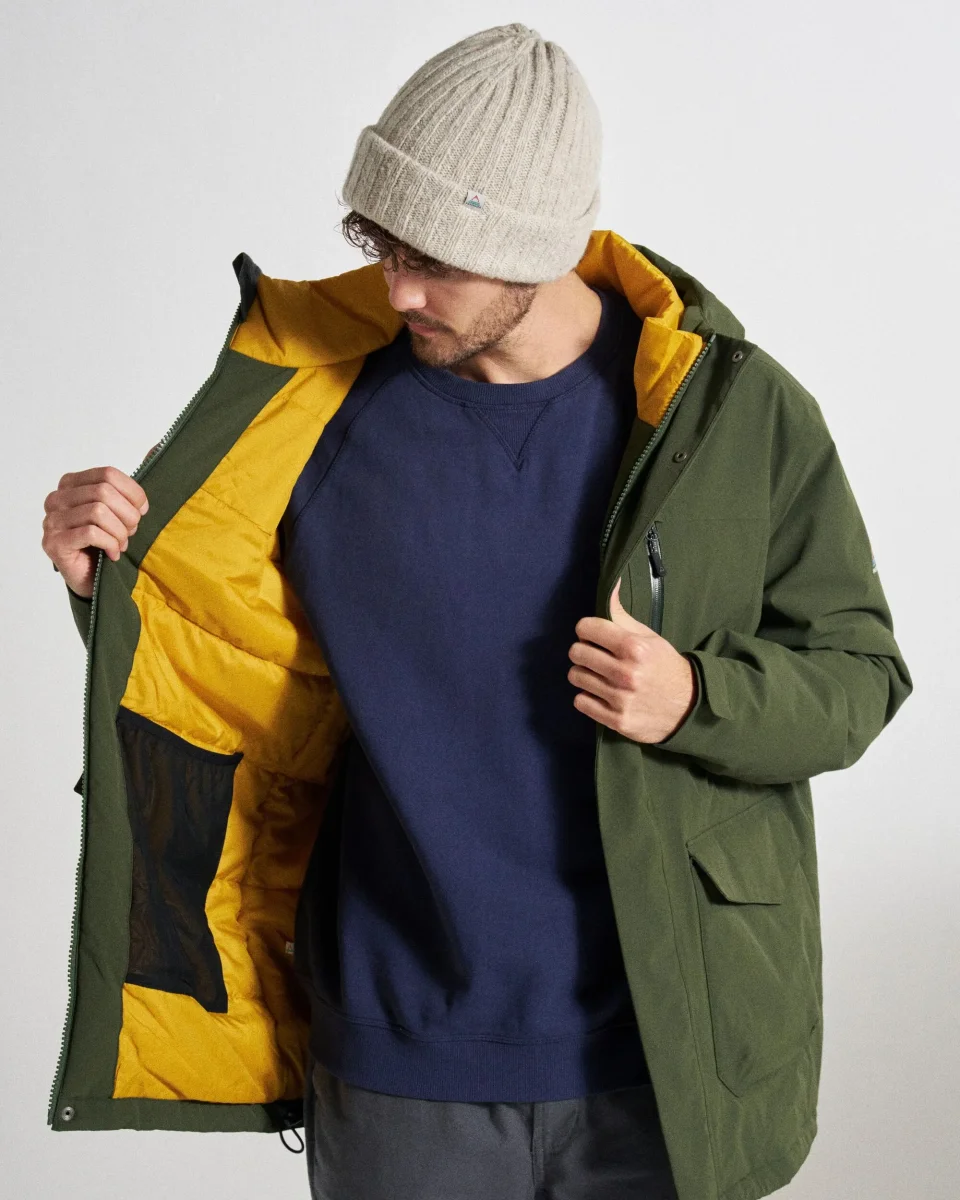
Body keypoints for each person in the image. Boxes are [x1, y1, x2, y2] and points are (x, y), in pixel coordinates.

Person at [40, 23, 912, 1200]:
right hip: (399, 1064)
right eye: (380, 246)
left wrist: (697, 699)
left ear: (538, 249)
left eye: (437, 259)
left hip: (662, 1052)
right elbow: (225, 669)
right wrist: (105, 591)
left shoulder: (727, 412)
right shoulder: (312, 409)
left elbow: (858, 674)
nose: (398, 290)